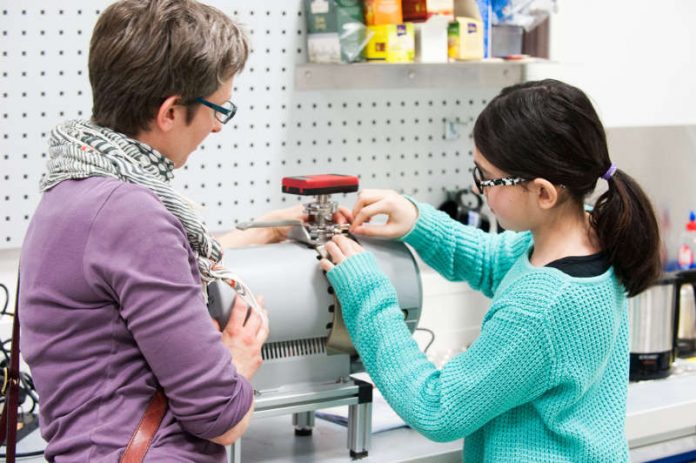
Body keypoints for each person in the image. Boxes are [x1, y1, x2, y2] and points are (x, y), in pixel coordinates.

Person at [18, 0, 302, 461]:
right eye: (218, 108)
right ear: (170, 112)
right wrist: (235, 361)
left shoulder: (73, 187)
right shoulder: (134, 214)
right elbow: (222, 419)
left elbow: (129, 275)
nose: (216, 127)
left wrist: (256, 234)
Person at [320, 79, 661, 462]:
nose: (479, 188)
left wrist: (368, 294)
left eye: (487, 177)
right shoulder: (584, 232)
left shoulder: (543, 308)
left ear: (544, 193)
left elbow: (438, 409)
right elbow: (492, 261)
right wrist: (418, 221)